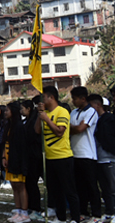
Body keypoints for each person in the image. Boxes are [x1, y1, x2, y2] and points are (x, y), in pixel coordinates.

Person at [34, 86, 80, 223]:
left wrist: (47, 119)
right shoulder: (44, 112)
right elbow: (37, 131)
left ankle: (75, 218)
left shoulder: (62, 112)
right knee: (55, 191)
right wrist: (40, 115)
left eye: (43, 98)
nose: (41, 101)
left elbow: (59, 132)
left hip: (63, 157)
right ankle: (61, 218)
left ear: (51, 97)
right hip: (49, 158)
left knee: (69, 190)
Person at [69, 86, 101, 221]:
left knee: (92, 186)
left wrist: (72, 128)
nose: (73, 101)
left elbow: (81, 128)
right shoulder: (74, 112)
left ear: (83, 98)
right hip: (75, 154)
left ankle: (96, 213)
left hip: (88, 154)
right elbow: (71, 129)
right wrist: (73, 128)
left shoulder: (91, 112)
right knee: (79, 186)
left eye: (75, 99)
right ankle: (83, 212)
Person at [89, 94, 115, 223]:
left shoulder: (108, 119)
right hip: (97, 158)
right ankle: (109, 212)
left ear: (98, 105)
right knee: (104, 188)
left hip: (109, 158)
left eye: (91, 105)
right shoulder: (94, 120)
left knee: (112, 187)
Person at [3, 102, 29, 223]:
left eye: (7, 110)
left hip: (17, 159)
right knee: (14, 185)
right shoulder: (9, 125)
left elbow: (22, 147)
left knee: (20, 186)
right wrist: (4, 157)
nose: (5, 112)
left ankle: (24, 213)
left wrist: (20, 162)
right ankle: (18, 210)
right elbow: (6, 143)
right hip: (9, 158)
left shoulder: (19, 126)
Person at [21, 99, 44, 221]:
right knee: (29, 183)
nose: (21, 111)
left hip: (36, 155)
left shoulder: (35, 120)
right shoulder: (27, 121)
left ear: (29, 109)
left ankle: (37, 208)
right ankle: (31, 206)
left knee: (33, 183)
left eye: (22, 108)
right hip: (29, 155)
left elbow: (34, 136)